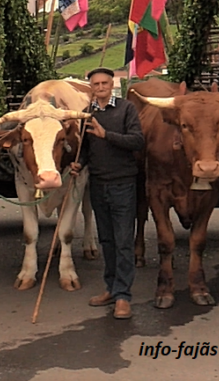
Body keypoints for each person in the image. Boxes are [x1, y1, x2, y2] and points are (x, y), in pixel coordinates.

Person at [72, 68, 144, 320]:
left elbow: (137, 140)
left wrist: (107, 135)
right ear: (90, 86)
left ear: (112, 85)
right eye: (95, 83)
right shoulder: (88, 114)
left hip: (123, 183)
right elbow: (85, 147)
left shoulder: (126, 109)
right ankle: (111, 288)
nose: (100, 87)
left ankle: (123, 296)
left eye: (104, 83)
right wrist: (78, 163)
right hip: (98, 184)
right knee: (107, 240)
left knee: (124, 240)